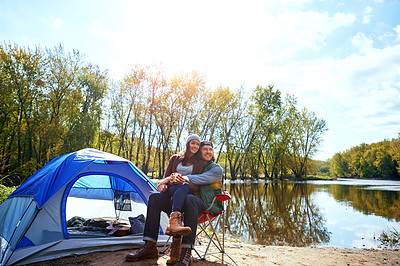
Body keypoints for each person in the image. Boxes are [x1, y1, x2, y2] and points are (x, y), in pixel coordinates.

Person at [125, 139, 223, 266]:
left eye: (210, 149)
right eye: (205, 149)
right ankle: (150, 245)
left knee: (189, 199)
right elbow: (170, 177)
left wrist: (181, 179)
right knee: (155, 198)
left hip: (197, 204)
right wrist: (164, 183)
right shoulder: (189, 161)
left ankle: (186, 251)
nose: (208, 152)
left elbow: (197, 183)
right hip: (176, 198)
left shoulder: (214, 168)